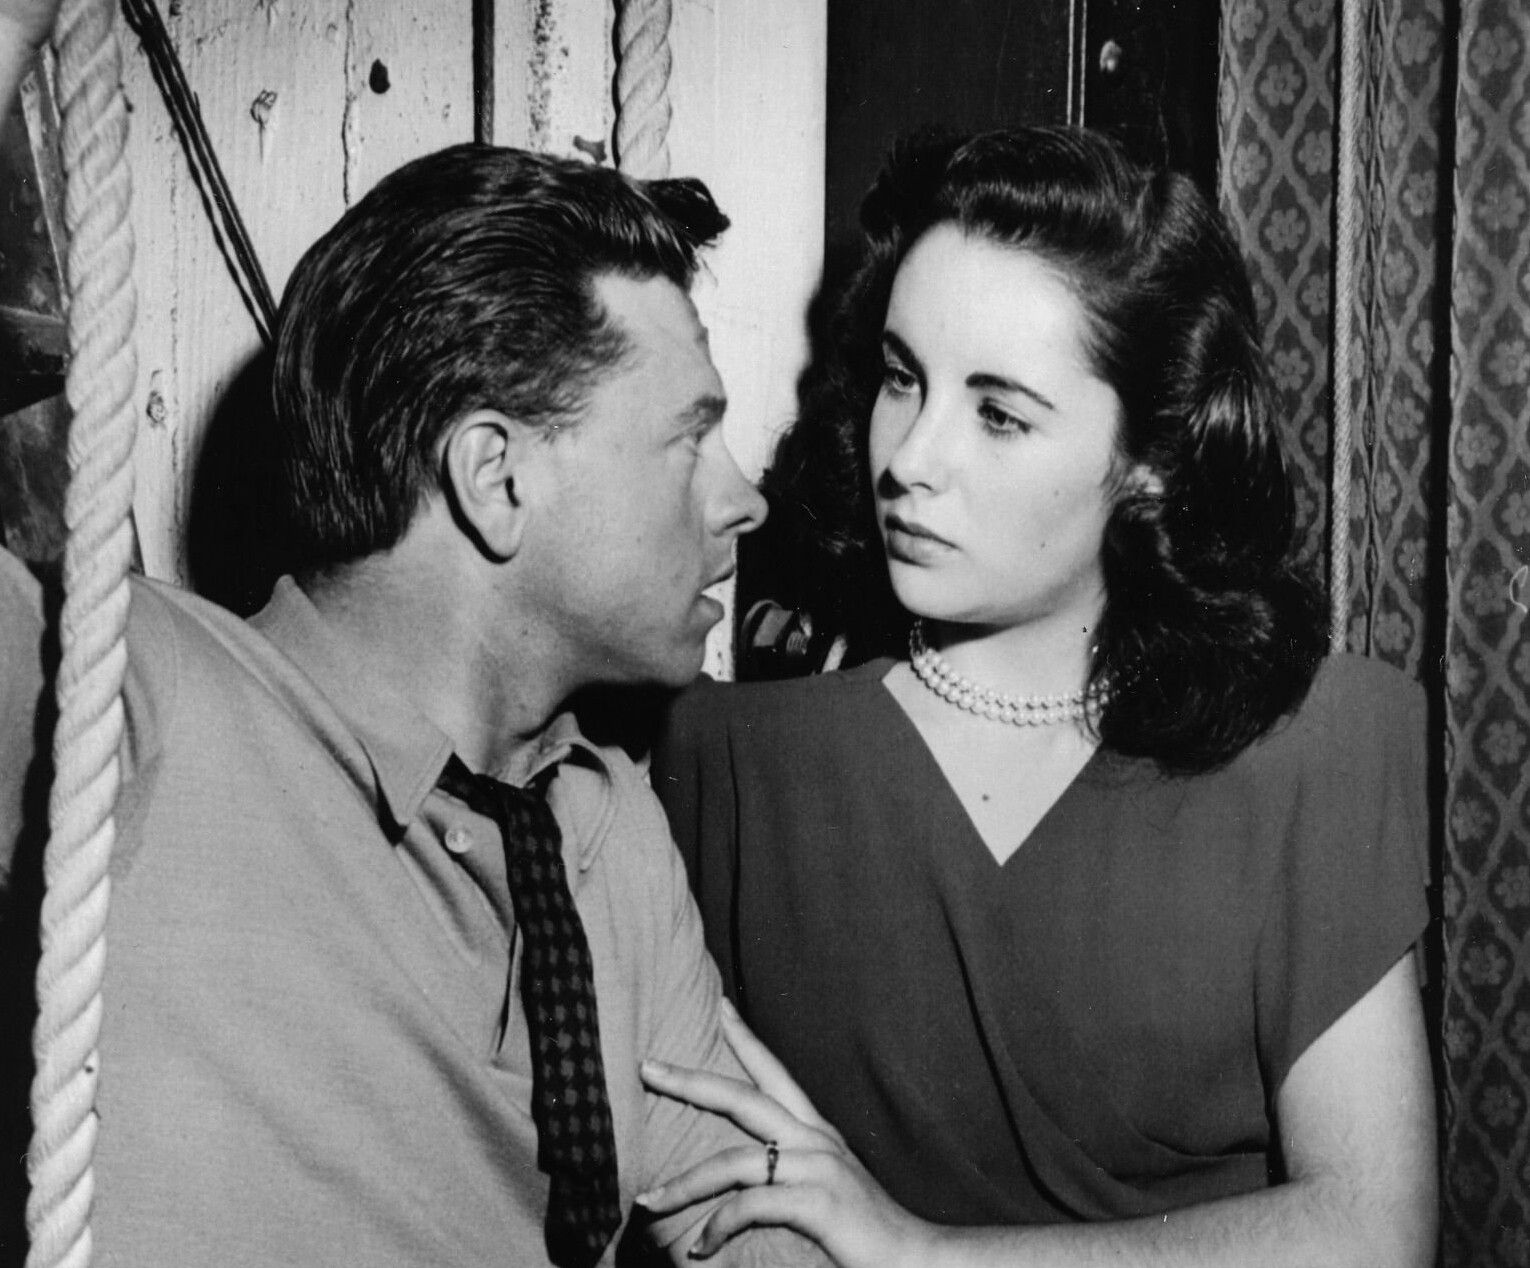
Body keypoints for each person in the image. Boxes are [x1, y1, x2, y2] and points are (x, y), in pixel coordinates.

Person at [0, 9, 835, 1265]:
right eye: (687, 438)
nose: (742, 497)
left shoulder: (605, 824)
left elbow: (756, 1224)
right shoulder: (120, 694)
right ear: (495, 478)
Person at [639, 126, 1438, 1266]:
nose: (909, 458)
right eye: (903, 379)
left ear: (1150, 459)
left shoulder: (1314, 746)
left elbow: (1373, 1232)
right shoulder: (727, 764)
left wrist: (919, 1254)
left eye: (999, 413)